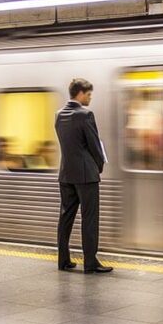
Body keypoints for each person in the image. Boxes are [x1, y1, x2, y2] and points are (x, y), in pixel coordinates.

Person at [55, 78, 112, 274]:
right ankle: (90, 262)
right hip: (86, 175)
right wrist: (98, 167)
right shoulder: (85, 115)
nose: (90, 98)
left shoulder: (59, 115)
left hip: (66, 175)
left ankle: (63, 260)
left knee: (65, 217)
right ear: (80, 93)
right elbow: (95, 146)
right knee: (89, 219)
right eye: (88, 95)